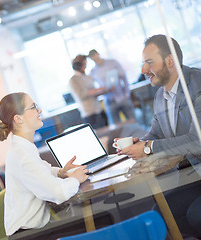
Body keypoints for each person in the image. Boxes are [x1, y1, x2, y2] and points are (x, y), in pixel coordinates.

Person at [117, 34, 201, 238]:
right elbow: (156, 133)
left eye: (149, 63)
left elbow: (197, 142)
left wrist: (148, 148)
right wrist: (138, 144)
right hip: (196, 177)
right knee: (160, 213)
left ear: (170, 61)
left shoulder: (197, 85)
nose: (143, 71)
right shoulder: (160, 96)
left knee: (195, 215)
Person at [0, 92, 89, 239]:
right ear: (18, 118)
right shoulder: (22, 155)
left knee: (95, 220)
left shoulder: (22, 147)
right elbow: (57, 193)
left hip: (34, 230)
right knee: (100, 220)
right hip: (28, 235)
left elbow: (41, 169)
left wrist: (61, 172)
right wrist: (75, 179)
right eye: (33, 107)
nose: (39, 110)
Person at [88, 49, 134, 125]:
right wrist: (103, 90)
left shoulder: (112, 63)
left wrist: (126, 94)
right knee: (116, 127)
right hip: (109, 101)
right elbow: (95, 89)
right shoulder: (93, 71)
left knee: (132, 121)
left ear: (98, 54)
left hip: (122, 97)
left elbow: (124, 78)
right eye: (92, 57)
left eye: (94, 55)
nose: (94, 58)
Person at [69, 54, 109, 129]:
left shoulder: (88, 77)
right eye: (84, 64)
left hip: (98, 110)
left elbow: (95, 93)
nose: (85, 66)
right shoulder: (73, 80)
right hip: (89, 113)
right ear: (78, 65)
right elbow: (81, 95)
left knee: (107, 132)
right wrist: (98, 90)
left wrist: (104, 90)